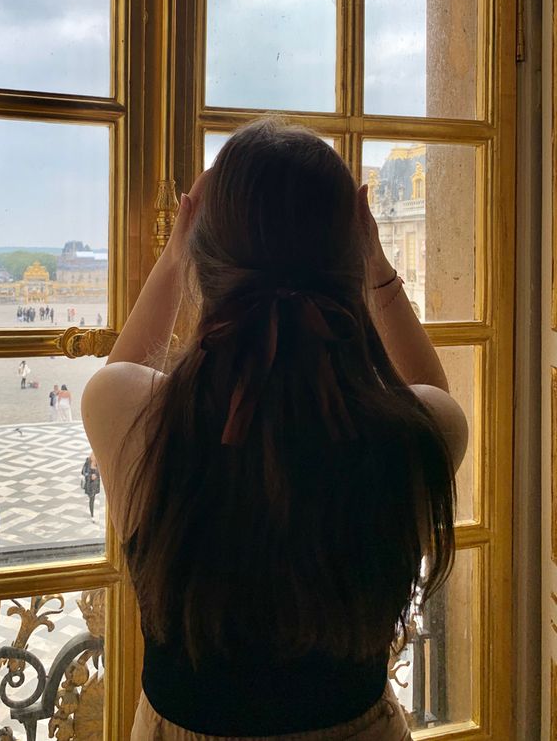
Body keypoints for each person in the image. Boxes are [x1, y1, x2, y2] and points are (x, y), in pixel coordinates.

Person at [81, 121, 467, 740]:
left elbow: (124, 369)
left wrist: (177, 254)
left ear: (204, 252)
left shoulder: (129, 415)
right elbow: (433, 397)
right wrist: (377, 265)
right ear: (355, 252)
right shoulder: (418, 434)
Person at [81, 452, 101, 519]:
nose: (94, 457)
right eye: (93, 455)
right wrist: (90, 476)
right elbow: (83, 472)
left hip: (95, 485)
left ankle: (92, 512)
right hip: (89, 485)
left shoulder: (98, 464)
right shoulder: (87, 463)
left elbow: (100, 473)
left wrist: (97, 475)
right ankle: (92, 514)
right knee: (91, 499)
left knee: (93, 498)